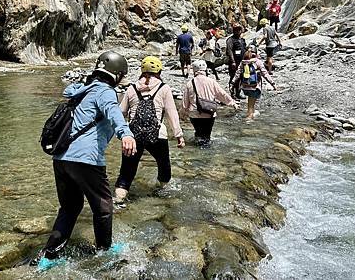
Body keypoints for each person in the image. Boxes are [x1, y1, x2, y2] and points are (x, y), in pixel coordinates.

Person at [33, 51, 137, 265]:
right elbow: (112, 111)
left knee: (70, 207)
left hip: (61, 158)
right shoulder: (105, 91)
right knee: (103, 206)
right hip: (86, 159)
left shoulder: (80, 91)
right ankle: (104, 252)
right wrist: (125, 134)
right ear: (117, 75)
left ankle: (49, 256)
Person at [114, 56, 185, 204]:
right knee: (164, 166)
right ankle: (163, 196)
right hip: (158, 135)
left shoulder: (131, 88)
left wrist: (118, 134)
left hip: (133, 136)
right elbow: (172, 113)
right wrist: (179, 135)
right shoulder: (164, 88)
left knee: (126, 172)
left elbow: (121, 113)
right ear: (159, 71)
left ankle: (119, 200)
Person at [182, 59, 238, 146]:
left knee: (198, 133)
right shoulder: (211, 81)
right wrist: (232, 102)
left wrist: (183, 114)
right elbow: (221, 94)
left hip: (195, 114)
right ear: (205, 70)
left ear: (194, 70)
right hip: (209, 113)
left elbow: (185, 102)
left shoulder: (190, 83)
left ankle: (197, 151)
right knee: (207, 136)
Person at [233, 49, 276, 119]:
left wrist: (233, 82)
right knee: (251, 106)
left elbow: (237, 73)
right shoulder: (257, 62)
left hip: (245, 86)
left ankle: (250, 114)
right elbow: (265, 74)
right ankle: (249, 120)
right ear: (255, 54)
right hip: (255, 87)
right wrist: (273, 84)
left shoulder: (243, 62)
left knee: (250, 104)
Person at [226, 23, 246, 99]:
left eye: (239, 29)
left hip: (242, 63)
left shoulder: (242, 40)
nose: (237, 31)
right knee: (233, 77)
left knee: (241, 78)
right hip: (234, 63)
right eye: (236, 29)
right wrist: (233, 61)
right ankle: (232, 93)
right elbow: (229, 51)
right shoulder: (230, 40)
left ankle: (238, 93)